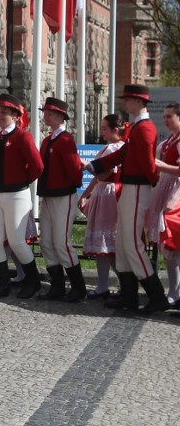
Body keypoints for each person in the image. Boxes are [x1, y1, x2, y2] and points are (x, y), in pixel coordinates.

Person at [83, 84, 169, 314]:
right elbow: (122, 155)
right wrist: (95, 165)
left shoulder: (144, 128)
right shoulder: (139, 128)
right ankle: (128, 295)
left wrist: (153, 180)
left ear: (140, 102)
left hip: (137, 188)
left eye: (128, 100)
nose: (124, 103)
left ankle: (156, 295)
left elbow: (147, 164)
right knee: (122, 244)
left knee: (131, 244)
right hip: (129, 187)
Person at [0, 93, 43, 300]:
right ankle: (2, 282)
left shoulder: (22, 137)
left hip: (17, 194)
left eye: (4, 113)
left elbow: (37, 166)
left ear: (16, 117)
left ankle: (33, 281)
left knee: (17, 241)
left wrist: (22, 180)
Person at [36, 97, 86, 302]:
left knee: (61, 242)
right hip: (49, 195)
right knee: (46, 241)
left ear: (59, 116)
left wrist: (70, 185)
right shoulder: (48, 140)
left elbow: (74, 170)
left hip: (63, 195)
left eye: (49, 113)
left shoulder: (65, 139)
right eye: (45, 112)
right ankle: (57, 285)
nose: (45, 116)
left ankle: (78, 287)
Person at [78, 114, 125, 299]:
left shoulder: (114, 148)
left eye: (105, 128)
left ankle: (106, 285)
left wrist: (86, 165)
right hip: (109, 192)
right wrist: (85, 194)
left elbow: (103, 174)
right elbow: (98, 176)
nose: (101, 131)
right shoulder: (116, 147)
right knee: (109, 245)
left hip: (108, 193)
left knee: (106, 244)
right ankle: (115, 284)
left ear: (115, 130)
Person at [146, 103, 180, 308]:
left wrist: (161, 166)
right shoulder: (168, 141)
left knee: (172, 242)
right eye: (165, 116)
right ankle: (173, 290)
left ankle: (175, 291)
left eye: (169, 116)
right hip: (165, 186)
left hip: (175, 190)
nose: (165, 120)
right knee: (168, 246)